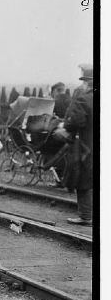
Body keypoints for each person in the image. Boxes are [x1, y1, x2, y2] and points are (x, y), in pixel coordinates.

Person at [54, 66, 94, 225]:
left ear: (87, 83)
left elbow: (75, 122)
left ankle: (85, 216)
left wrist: (66, 125)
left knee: (83, 178)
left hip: (87, 146)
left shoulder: (85, 99)